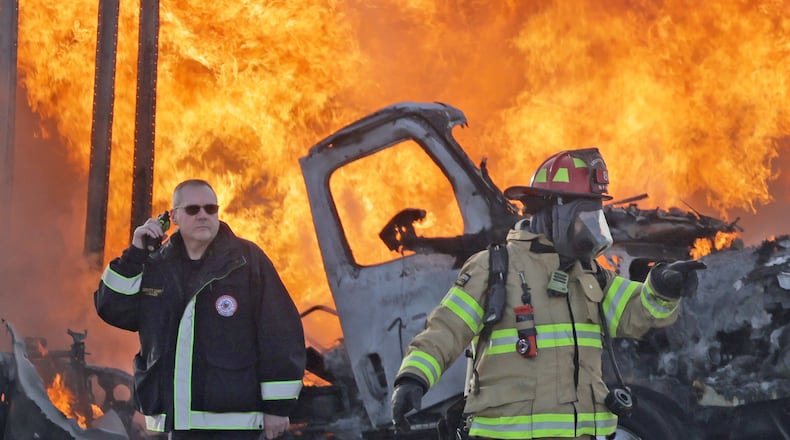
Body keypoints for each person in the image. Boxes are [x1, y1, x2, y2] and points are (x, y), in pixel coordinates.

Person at [390, 148, 706, 439]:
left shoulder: (591, 275)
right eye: (584, 217)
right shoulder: (494, 268)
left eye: (596, 217)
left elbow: (639, 312)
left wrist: (663, 287)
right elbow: (445, 329)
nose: (592, 229)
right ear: (553, 213)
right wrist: (413, 378)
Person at [95, 179, 306, 440]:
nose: (203, 215)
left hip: (236, 424)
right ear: (173, 217)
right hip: (179, 423)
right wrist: (136, 253)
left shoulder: (247, 261)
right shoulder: (156, 265)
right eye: (193, 209)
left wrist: (278, 408)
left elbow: (280, 332)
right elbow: (112, 308)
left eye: (211, 208)